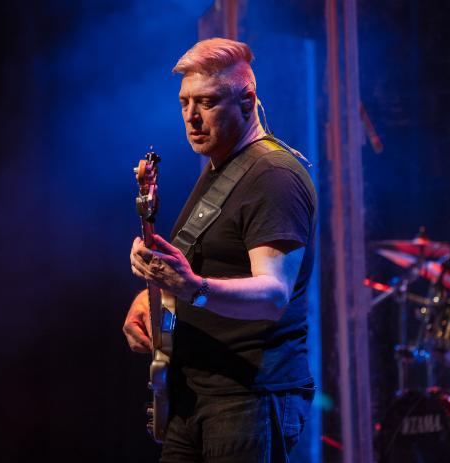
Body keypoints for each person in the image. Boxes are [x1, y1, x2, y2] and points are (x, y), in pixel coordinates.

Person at [123, 38, 317, 462]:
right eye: (185, 102)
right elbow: (207, 268)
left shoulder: (274, 176)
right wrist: (156, 295)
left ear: (247, 102)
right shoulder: (221, 168)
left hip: (248, 396)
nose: (191, 116)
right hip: (198, 395)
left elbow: (273, 294)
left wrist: (192, 288)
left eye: (207, 102)